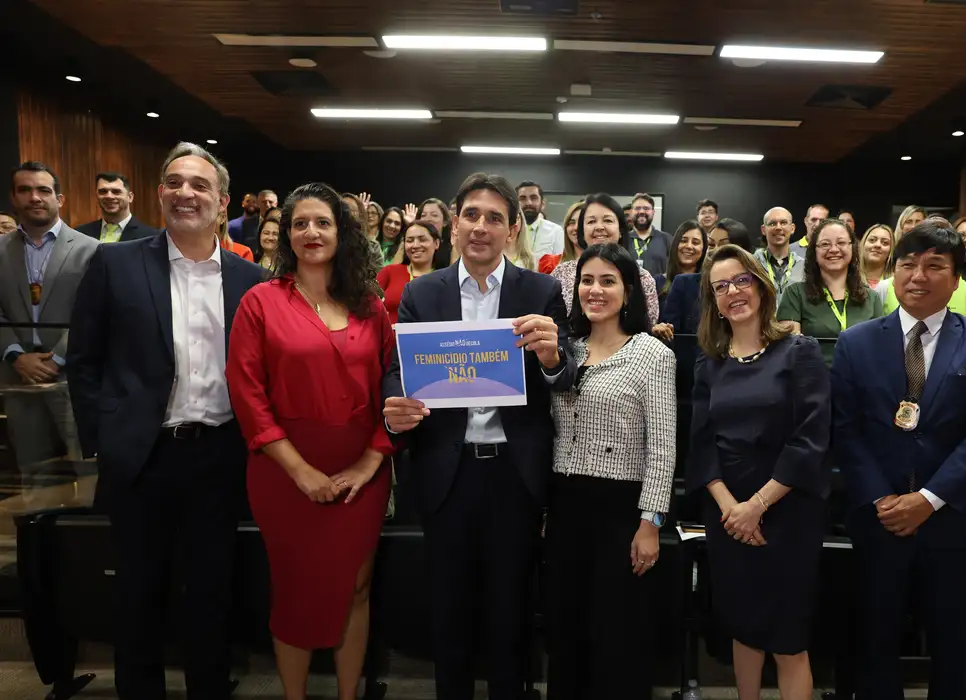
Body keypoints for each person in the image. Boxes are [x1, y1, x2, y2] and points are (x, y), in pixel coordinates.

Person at [68, 142, 266, 700]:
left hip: (220, 456)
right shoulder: (115, 263)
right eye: (174, 182)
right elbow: (83, 360)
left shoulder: (251, 279)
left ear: (222, 202)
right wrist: (105, 441)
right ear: (158, 194)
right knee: (137, 593)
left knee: (211, 593)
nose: (185, 193)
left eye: (200, 185)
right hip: (141, 456)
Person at [381, 172, 578, 700]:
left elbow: (564, 378)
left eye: (494, 218)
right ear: (454, 223)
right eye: (471, 215)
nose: (481, 227)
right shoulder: (422, 292)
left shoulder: (541, 290)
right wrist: (394, 410)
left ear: (512, 230)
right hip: (447, 473)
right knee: (448, 613)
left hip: (515, 476)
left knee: (509, 614)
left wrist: (552, 358)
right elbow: (398, 372)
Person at [226, 182, 393, 700]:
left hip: (362, 471)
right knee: (295, 589)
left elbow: (396, 387)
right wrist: (300, 472)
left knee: (356, 587)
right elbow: (247, 393)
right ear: (286, 236)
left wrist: (371, 460)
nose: (311, 232)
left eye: (323, 222)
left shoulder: (371, 306)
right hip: (284, 473)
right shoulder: (260, 301)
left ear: (343, 233)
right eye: (300, 224)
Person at [831, 223, 966, 700]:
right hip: (879, 520)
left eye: (934, 265)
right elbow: (844, 430)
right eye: (908, 264)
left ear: (956, 279)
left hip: (952, 521)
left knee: (953, 645)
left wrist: (928, 500)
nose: (918, 276)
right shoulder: (856, 342)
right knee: (875, 642)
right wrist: (882, 498)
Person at [686, 243, 830, 700]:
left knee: (788, 639)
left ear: (761, 286)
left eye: (741, 280)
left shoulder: (799, 351)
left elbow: (811, 439)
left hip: (788, 511)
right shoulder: (709, 363)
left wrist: (757, 506)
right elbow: (701, 443)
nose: (733, 292)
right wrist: (733, 510)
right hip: (728, 517)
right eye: (720, 287)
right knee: (743, 628)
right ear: (714, 302)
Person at [545, 243, 676, 699]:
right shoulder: (565, 350)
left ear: (628, 291)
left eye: (607, 281)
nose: (595, 290)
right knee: (566, 627)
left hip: (621, 510)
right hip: (564, 506)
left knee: (615, 631)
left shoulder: (652, 354)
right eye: (587, 280)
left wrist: (650, 523)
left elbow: (662, 448)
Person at [2, 162, 98, 492]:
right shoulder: (0, 250)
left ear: (60, 199)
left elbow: (93, 313)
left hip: (73, 378)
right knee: (32, 471)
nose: (35, 197)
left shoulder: (90, 250)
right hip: (17, 379)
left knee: (88, 469)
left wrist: (57, 359)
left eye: (43, 190)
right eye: (25, 190)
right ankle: (37, 527)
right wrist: (16, 355)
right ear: (13, 198)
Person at [777, 218, 882, 365]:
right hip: (812, 376)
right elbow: (790, 350)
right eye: (825, 244)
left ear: (852, 248)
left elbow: (879, 349)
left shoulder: (872, 298)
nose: (833, 249)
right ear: (814, 251)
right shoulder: (795, 294)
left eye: (841, 243)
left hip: (860, 376)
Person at [551, 193, 660, 324]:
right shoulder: (561, 273)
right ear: (582, 231)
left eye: (608, 220)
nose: (599, 227)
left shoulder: (642, 278)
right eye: (591, 221)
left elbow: (648, 324)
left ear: (621, 230)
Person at [661, 219, 755, 337]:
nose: (715, 250)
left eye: (724, 245)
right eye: (711, 245)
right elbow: (671, 335)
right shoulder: (684, 283)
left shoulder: (754, 285)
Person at [377, 220, 441, 330]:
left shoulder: (444, 278)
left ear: (436, 243)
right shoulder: (389, 272)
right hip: (390, 338)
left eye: (422, 239)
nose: (415, 245)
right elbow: (368, 307)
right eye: (410, 241)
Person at [76, 172, 161, 242]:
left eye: (116, 191)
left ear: (130, 197)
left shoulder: (151, 237)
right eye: (103, 191)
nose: (109, 196)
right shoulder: (80, 234)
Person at [753, 207, 804, 306]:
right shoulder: (752, 265)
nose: (778, 227)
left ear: (792, 228)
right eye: (772, 223)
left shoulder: (804, 266)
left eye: (783, 223)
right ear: (763, 230)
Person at [627, 193, 672, 276]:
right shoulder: (622, 239)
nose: (641, 212)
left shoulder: (667, 239)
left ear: (653, 212)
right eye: (637, 208)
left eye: (646, 208)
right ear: (631, 212)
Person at [517, 181, 564, 259]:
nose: (528, 203)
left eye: (533, 198)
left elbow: (560, 263)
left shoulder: (555, 231)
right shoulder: (509, 231)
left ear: (542, 204)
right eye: (522, 198)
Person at [538, 201, 584, 274]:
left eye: (582, 222)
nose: (576, 227)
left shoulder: (603, 262)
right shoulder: (550, 264)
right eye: (571, 222)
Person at [418, 197, 454, 268]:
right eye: (423, 215)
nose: (427, 219)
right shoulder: (411, 244)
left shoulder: (452, 247)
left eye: (434, 215)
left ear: (445, 221)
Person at [859, 223, 894, 288]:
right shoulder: (847, 278)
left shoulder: (897, 282)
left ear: (891, 251)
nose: (877, 245)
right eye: (872, 240)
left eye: (885, 243)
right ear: (863, 244)